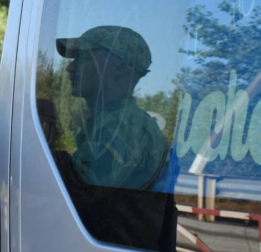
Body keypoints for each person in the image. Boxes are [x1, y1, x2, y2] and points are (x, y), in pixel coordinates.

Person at [55, 25, 176, 251]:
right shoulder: (115, 122)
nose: (70, 68)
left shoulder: (125, 127)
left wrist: (43, 135)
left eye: (83, 58)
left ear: (118, 67)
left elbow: (73, 192)